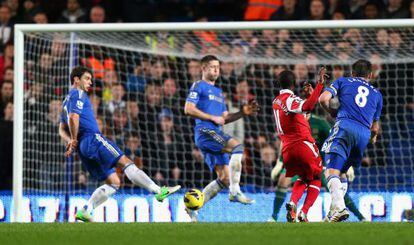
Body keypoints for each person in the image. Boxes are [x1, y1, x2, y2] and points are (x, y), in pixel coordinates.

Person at [59, 66, 180, 222]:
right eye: (87, 78)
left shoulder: (65, 101)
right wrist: (74, 138)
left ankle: (86, 210)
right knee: (126, 162)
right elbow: (74, 117)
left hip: (83, 148)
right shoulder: (78, 93)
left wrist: (70, 140)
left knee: (114, 182)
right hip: (93, 139)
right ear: (76, 80)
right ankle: (158, 190)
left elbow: (61, 129)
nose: (90, 82)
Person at [184, 55, 259, 221]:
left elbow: (224, 117)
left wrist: (242, 113)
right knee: (237, 147)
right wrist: (211, 117)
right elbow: (188, 108)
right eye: (211, 67)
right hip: (205, 131)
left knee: (224, 178)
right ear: (203, 68)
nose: (216, 70)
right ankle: (235, 191)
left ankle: (192, 208)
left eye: (217, 67)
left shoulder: (219, 93)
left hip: (214, 133)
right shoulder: (199, 86)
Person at [319, 59, 383, 222]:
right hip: (362, 135)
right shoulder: (377, 94)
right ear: (370, 75)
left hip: (345, 126)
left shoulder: (343, 81)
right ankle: (332, 214)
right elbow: (375, 128)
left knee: (330, 168)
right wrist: (373, 137)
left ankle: (340, 208)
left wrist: (332, 111)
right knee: (342, 172)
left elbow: (322, 99)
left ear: (353, 73)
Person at [272, 68, 327, 222]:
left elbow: (297, 114)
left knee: (303, 177)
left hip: (287, 149)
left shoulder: (276, 102)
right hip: (303, 144)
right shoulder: (289, 99)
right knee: (316, 177)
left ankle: (292, 202)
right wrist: (319, 86)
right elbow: (306, 107)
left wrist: (310, 96)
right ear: (294, 84)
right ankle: (304, 211)